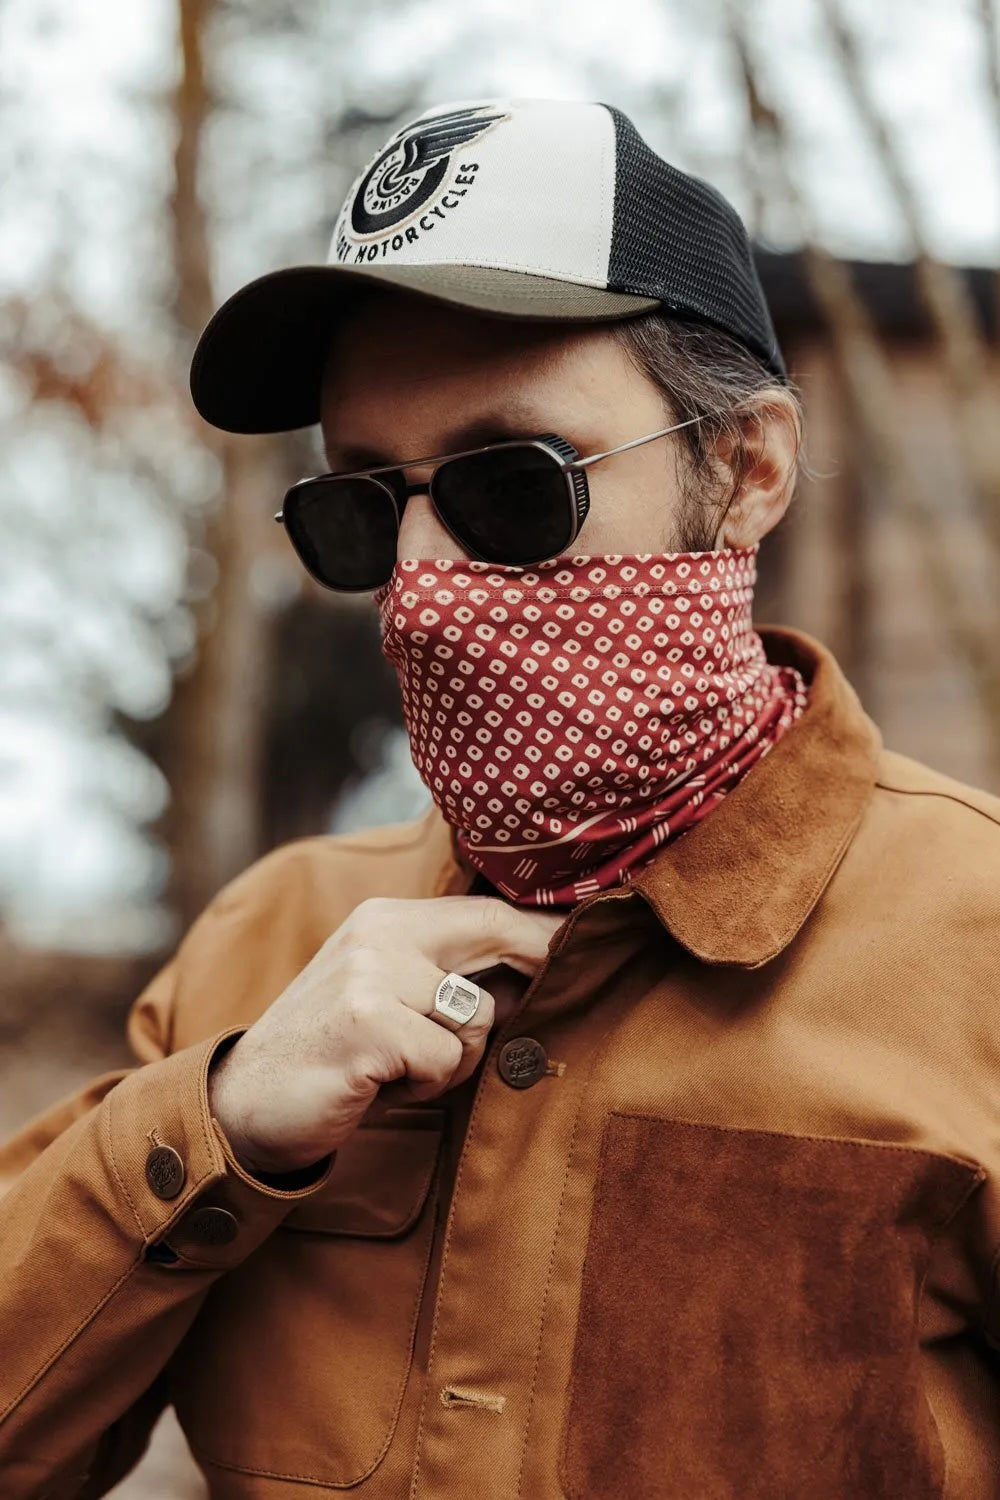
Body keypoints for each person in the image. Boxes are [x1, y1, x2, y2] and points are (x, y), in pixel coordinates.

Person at [1, 96, 998, 1499]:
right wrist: (222, 1120)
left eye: (513, 487)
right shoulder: (266, 941)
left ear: (750, 469)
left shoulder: (977, 946)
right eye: (358, 507)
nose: (422, 586)